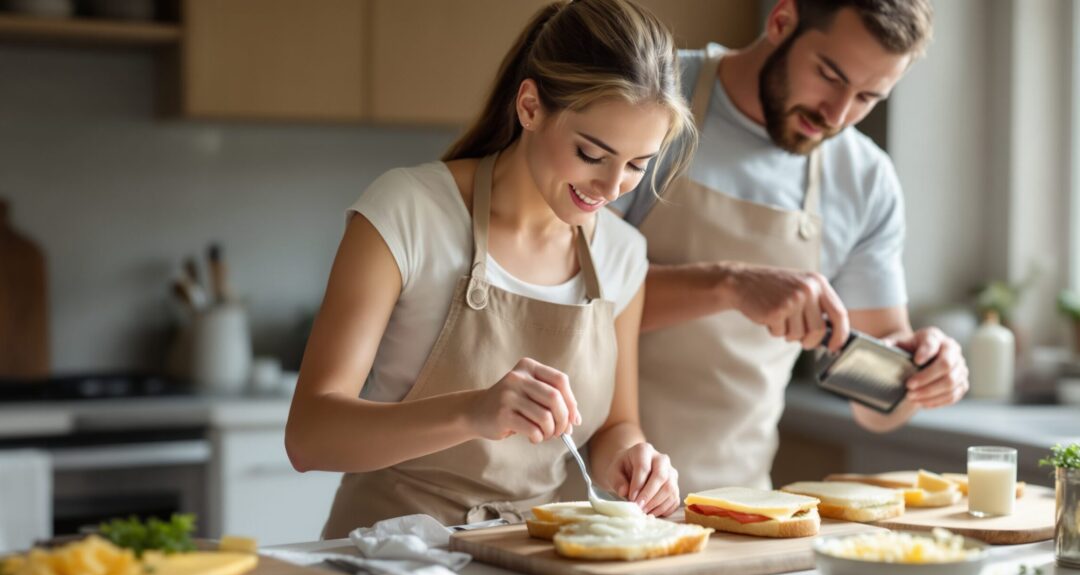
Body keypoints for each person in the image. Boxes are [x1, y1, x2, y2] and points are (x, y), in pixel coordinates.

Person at [285, 0, 697, 537]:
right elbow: (310, 436)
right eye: (592, 154)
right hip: (388, 560)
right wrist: (472, 413)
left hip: (525, 566)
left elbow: (617, 424)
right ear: (530, 106)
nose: (612, 186)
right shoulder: (408, 211)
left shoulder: (622, 254)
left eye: (638, 165)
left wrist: (635, 460)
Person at [613, 0, 970, 494]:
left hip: (733, 498)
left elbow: (878, 406)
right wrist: (729, 286)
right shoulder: (647, 93)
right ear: (781, 21)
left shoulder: (866, 181)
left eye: (868, 97)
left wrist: (923, 374)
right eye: (829, 75)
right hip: (588, 485)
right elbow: (565, 294)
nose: (838, 115)